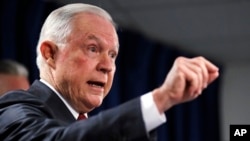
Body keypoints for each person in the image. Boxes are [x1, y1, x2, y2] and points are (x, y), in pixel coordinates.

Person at [0, 3, 219, 141]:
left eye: (113, 55)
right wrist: (161, 99)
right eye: (93, 49)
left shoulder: (88, 125)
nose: (107, 66)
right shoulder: (13, 108)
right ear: (50, 53)